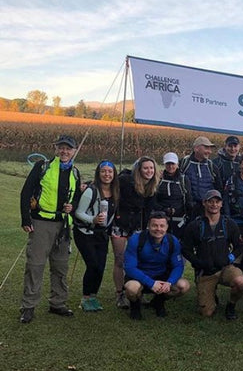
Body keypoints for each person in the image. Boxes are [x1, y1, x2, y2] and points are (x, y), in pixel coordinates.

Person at [19, 134, 82, 323]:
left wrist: (73, 207)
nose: (64, 151)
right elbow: (26, 192)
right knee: (35, 265)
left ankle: (58, 303)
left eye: (68, 148)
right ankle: (28, 306)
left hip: (63, 225)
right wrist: (25, 218)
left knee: (60, 266)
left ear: (74, 151)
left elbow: (77, 197)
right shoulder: (42, 166)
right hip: (41, 222)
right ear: (56, 149)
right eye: (61, 147)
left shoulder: (76, 172)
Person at [182, 189, 243, 320]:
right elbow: (185, 249)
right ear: (204, 203)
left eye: (217, 202)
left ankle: (231, 305)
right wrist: (197, 262)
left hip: (225, 268)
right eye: (210, 201)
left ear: (221, 204)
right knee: (207, 313)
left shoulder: (229, 224)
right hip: (206, 272)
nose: (214, 205)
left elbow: (239, 246)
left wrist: (230, 257)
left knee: (240, 282)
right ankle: (211, 294)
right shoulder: (195, 225)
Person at [123, 211, 190, 320]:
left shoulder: (172, 241)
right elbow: (129, 268)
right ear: (148, 226)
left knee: (183, 286)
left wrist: (170, 282)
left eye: (162, 226)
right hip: (140, 278)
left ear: (167, 227)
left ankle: (158, 302)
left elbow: (178, 266)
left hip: (162, 276)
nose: (158, 229)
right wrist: (151, 283)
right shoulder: (136, 239)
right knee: (132, 288)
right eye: (154, 225)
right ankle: (135, 306)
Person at [112, 156, 160, 309]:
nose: (149, 171)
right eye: (145, 168)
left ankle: (137, 291)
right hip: (120, 224)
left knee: (137, 259)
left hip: (137, 227)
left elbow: (149, 209)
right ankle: (119, 294)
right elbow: (109, 187)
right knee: (120, 259)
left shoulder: (152, 186)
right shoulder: (126, 181)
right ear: (139, 170)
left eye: (151, 168)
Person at [73, 160, 119, 312]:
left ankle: (93, 296)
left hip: (102, 234)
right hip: (85, 232)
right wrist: (92, 219)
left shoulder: (116, 192)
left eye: (110, 171)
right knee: (92, 264)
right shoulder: (91, 191)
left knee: (100, 266)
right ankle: (85, 298)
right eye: (103, 171)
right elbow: (79, 213)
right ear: (98, 174)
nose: (107, 174)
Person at [180, 136, 222, 215]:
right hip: (188, 209)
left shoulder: (212, 166)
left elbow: (218, 187)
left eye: (210, 149)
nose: (209, 151)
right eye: (206, 148)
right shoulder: (184, 163)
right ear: (196, 148)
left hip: (207, 209)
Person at [156, 152, 193, 239]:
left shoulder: (183, 179)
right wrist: (163, 209)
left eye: (172, 164)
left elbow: (188, 199)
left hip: (179, 219)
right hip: (161, 218)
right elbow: (155, 199)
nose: (170, 166)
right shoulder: (159, 179)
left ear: (177, 164)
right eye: (168, 164)